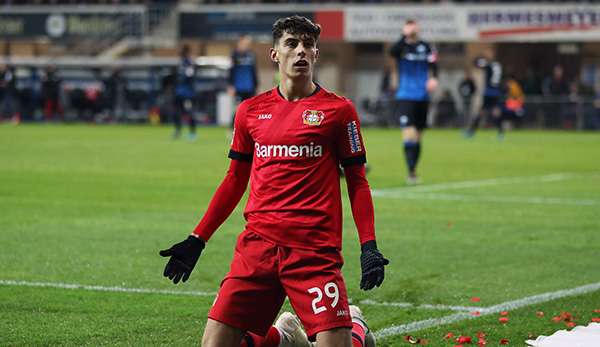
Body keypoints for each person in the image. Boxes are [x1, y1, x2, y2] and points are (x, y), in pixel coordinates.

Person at [159, 15, 388, 347]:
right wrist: (198, 238)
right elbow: (234, 180)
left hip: (314, 251)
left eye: (308, 45)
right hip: (257, 248)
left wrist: (368, 246)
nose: (301, 52)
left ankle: (354, 326)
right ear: (274, 54)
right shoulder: (250, 111)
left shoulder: (339, 111)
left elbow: (357, 182)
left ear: (316, 54)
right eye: (292, 44)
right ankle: (283, 336)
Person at [389, 19, 439, 185]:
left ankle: (413, 170)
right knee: (409, 133)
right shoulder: (401, 46)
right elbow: (392, 52)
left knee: (418, 136)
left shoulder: (427, 46)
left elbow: (434, 64)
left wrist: (434, 79)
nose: (413, 29)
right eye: (410, 27)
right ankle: (410, 172)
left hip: (423, 96)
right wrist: (404, 36)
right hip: (405, 95)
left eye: (414, 26)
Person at [465, 49, 503, 139]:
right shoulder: (498, 65)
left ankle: (471, 132)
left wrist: (475, 59)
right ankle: (500, 133)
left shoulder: (488, 65)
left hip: (489, 92)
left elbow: (477, 63)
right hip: (496, 92)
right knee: (495, 112)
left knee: (481, 112)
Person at [173, 44, 197, 140]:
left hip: (187, 93)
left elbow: (191, 77)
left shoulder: (189, 63)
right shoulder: (181, 63)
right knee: (177, 112)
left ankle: (192, 132)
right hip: (179, 92)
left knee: (189, 112)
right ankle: (178, 130)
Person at [228, 34, 259, 103]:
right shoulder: (234, 55)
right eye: (244, 43)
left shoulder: (251, 55)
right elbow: (231, 71)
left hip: (250, 88)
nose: (246, 45)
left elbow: (254, 71)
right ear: (239, 43)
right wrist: (231, 85)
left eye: (248, 44)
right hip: (238, 88)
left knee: (250, 108)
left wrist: (256, 85)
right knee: (239, 109)